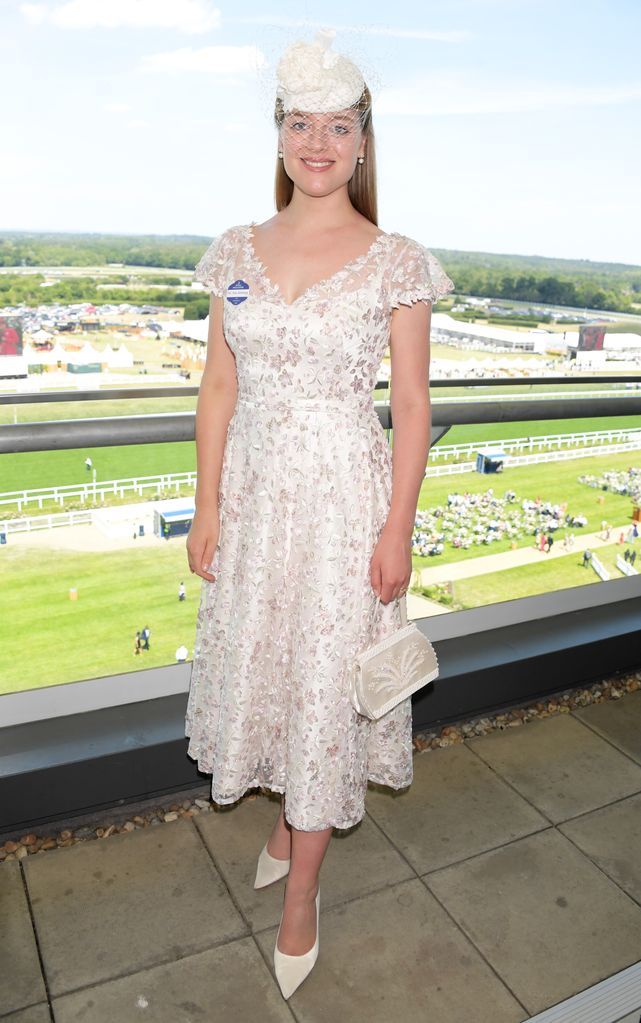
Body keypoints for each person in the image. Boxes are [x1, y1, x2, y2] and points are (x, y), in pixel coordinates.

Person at [183, 28, 454, 1001]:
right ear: (281, 136)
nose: (317, 142)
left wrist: (397, 530)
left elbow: (414, 409)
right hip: (256, 497)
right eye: (301, 123)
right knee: (270, 661)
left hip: (345, 498)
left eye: (337, 126)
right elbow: (217, 387)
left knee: (326, 678)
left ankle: (301, 894)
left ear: (363, 142)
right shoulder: (234, 250)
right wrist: (206, 504)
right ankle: (283, 814)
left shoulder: (396, 262)